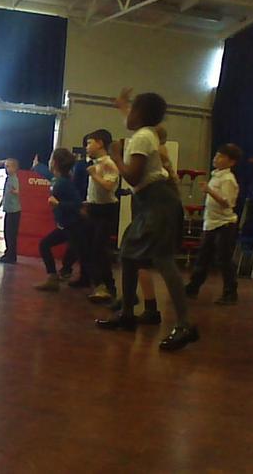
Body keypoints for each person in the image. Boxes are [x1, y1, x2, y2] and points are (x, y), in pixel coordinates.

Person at [96, 89, 197, 351]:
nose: (127, 116)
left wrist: (116, 155)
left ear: (140, 114)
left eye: (132, 110)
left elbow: (132, 177)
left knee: (163, 260)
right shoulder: (146, 132)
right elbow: (130, 121)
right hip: (151, 202)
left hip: (157, 202)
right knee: (129, 254)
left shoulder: (141, 137)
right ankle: (127, 314)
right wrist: (123, 106)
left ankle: (185, 325)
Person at [185, 143, 242, 305]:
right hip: (211, 223)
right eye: (217, 155)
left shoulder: (228, 179)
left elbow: (227, 203)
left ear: (231, 162)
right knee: (203, 257)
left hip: (224, 224)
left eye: (221, 157)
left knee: (224, 259)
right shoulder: (216, 175)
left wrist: (210, 191)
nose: (216, 158)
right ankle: (193, 288)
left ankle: (230, 292)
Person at [32, 148, 82, 292]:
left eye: (51, 159)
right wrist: (38, 166)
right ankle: (55, 276)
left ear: (54, 163)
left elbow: (77, 204)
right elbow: (50, 177)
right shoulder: (59, 180)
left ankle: (55, 277)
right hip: (66, 225)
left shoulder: (63, 183)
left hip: (72, 225)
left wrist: (59, 204)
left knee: (47, 245)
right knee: (47, 245)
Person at [80, 129, 120, 303]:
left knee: (99, 249)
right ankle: (99, 285)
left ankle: (108, 287)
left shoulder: (109, 164)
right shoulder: (95, 163)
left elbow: (109, 186)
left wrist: (94, 175)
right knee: (90, 248)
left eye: (90, 143)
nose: (87, 147)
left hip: (106, 210)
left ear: (100, 143)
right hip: (94, 208)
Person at [0, 158, 21, 264]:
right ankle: (8, 253)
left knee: (11, 234)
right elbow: (5, 195)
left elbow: (17, 190)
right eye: (5, 166)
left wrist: (15, 191)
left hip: (14, 210)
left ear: (15, 168)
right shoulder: (8, 179)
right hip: (9, 210)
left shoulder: (14, 179)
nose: (6, 168)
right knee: (7, 233)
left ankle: (11, 256)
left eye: (8, 166)